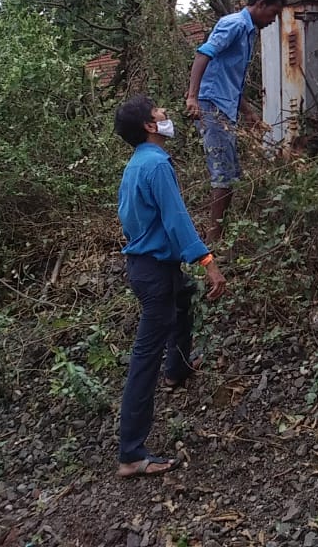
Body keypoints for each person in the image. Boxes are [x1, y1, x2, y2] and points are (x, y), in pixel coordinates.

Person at [113, 94, 227, 478]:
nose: (166, 115)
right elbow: (177, 221)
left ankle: (178, 367)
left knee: (184, 297)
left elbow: (131, 217)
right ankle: (131, 452)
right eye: (159, 112)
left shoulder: (135, 165)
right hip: (154, 271)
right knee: (145, 357)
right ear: (149, 126)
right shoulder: (157, 164)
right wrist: (208, 262)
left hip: (147, 266)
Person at [185, 0, 287, 244]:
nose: (272, 20)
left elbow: (231, 79)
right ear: (260, 4)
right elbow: (203, 54)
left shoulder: (249, 31)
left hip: (225, 106)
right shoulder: (235, 24)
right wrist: (192, 97)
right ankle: (213, 243)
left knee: (231, 174)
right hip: (212, 106)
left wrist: (249, 113)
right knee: (224, 174)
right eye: (272, 14)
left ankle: (217, 237)